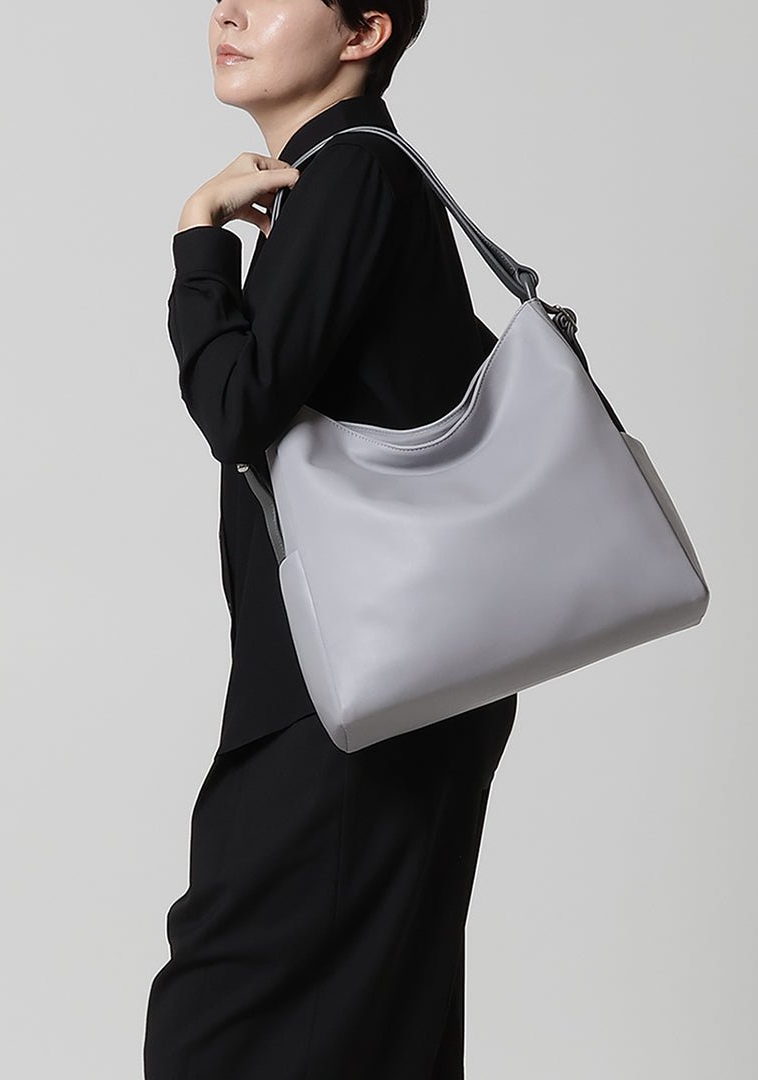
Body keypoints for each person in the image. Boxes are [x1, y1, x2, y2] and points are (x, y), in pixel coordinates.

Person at [143, 2, 518, 1077]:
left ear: (363, 34)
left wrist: (198, 240)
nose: (228, 10)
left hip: (349, 698)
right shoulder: (343, 182)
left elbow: (238, 408)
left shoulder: (355, 173)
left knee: (229, 1032)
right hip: (383, 683)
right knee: (373, 1032)